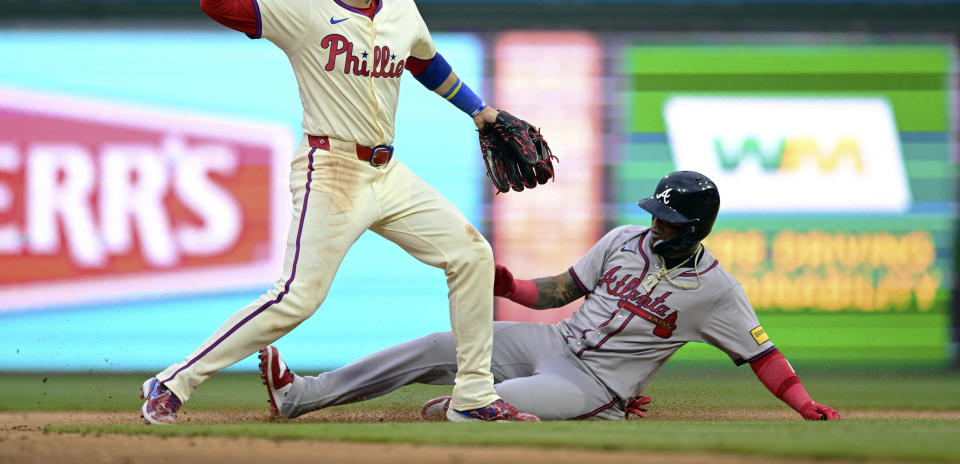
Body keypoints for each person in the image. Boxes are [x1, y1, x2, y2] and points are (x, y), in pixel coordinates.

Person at [138, 0, 538, 424]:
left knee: (471, 255)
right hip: (330, 171)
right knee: (296, 298)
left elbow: (426, 64)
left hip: (387, 173)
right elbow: (216, 4)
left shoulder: (401, 9)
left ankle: (473, 397)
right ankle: (172, 381)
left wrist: (479, 110)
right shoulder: (302, 11)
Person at [258, 171, 842, 421]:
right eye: (656, 212)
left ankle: (461, 412)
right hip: (552, 341)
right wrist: (510, 286)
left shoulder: (716, 290)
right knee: (440, 346)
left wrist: (804, 403)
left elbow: (763, 354)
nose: (655, 223)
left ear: (694, 227)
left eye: (668, 218)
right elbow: (563, 290)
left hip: (592, 384)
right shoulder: (623, 240)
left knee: (484, 404)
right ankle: (301, 396)